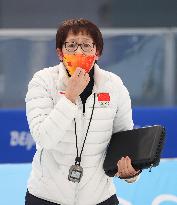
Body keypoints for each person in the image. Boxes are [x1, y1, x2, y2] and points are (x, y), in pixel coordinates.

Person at [25, 18, 140, 205]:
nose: (79, 51)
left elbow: (123, 138)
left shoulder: (114, 85)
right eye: (71, 45)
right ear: (60, 52)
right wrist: (69, 97)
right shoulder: (43, 81)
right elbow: (44, 138)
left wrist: (130, 173)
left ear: (98, 52)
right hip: (46, 197)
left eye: (86, 45)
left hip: (100, 197)